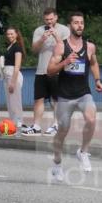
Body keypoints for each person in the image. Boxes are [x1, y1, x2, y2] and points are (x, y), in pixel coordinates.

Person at [47, 12, 102, 182]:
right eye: (76, 23)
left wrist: (97, 80)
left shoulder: (90, 47)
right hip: (65, 96)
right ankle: (57, 164)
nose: (79, 25)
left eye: (82, 23)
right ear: (69, 26)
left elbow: (94, 63)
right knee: (62, 131)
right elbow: (50, 71)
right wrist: (65, 62)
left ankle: (83, 152)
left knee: (91, 119)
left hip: (83, 93)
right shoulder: (61, 47)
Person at [24, 8, 70, 136]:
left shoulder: (64, 30)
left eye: (51, 19)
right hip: (41, 70)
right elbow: (34, 49)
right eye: (46, 20)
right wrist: (42, 39)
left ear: (56, 17)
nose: (49, 22)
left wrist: (56, 36)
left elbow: (67, 49)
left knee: (56, 99)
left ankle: (56, 125)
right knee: (38, 99)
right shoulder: (39, 30)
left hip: (57, 70)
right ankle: (36, 126)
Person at [0, 26, 26, 129]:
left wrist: (13, 82)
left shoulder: (17, 47)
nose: (10, 36)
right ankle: (13, 122)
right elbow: (6, 62)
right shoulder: (10, 46)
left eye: (12, 34)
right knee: (10, 102)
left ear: (16, 34)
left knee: (15, 101)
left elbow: (17, 66)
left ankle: (19, 122)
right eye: (8, 34)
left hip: (13, 75)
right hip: (7, 75)